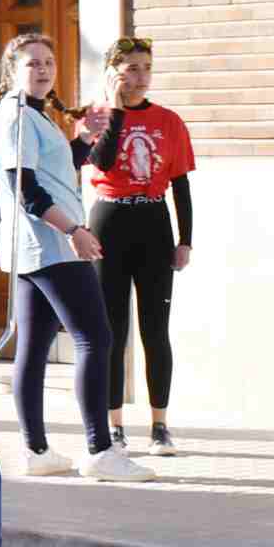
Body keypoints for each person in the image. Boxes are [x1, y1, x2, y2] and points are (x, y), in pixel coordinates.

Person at [0, 33, 148, 481]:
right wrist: (73, 230)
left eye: (49, 62)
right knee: (96, 338)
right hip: (51, 246)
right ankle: (100, 450)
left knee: (34, 348)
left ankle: (37, 451)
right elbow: (26, 189)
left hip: (32, 249)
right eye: (33, 63)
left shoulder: (33, 116)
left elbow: (53, 171)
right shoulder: (16, 117)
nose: (43, 69)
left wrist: (82, 140)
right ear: (12, 71)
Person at [78, 36, 198, 455]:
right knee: (112, 330)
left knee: (155, 328)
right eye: (130, 68)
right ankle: (114, 426)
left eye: (145, 67)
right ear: (113, 72)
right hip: (109, 220)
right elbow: (105, 161)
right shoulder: (94, 117)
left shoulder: (169, 121)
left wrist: (186, 240)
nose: (140, 76)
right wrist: (112, 109)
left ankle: (160, 425)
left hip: (152, 222)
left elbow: (181, 183)